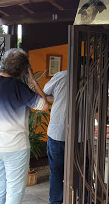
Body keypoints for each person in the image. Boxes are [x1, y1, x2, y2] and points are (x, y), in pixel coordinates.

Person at [0, 48, 49, 204]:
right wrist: (33, 81)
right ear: (24, 70)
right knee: (14, 190)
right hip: (14, 147)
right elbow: (44, 106)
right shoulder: (20, 87)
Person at [43, 70, 68, 204]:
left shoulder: (62, 76)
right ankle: (83, 198)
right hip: (80, 136)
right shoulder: (92, 79)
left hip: (57, 132)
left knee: (56, 172)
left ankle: (56, 201)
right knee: (82, 172)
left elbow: (45, 92)